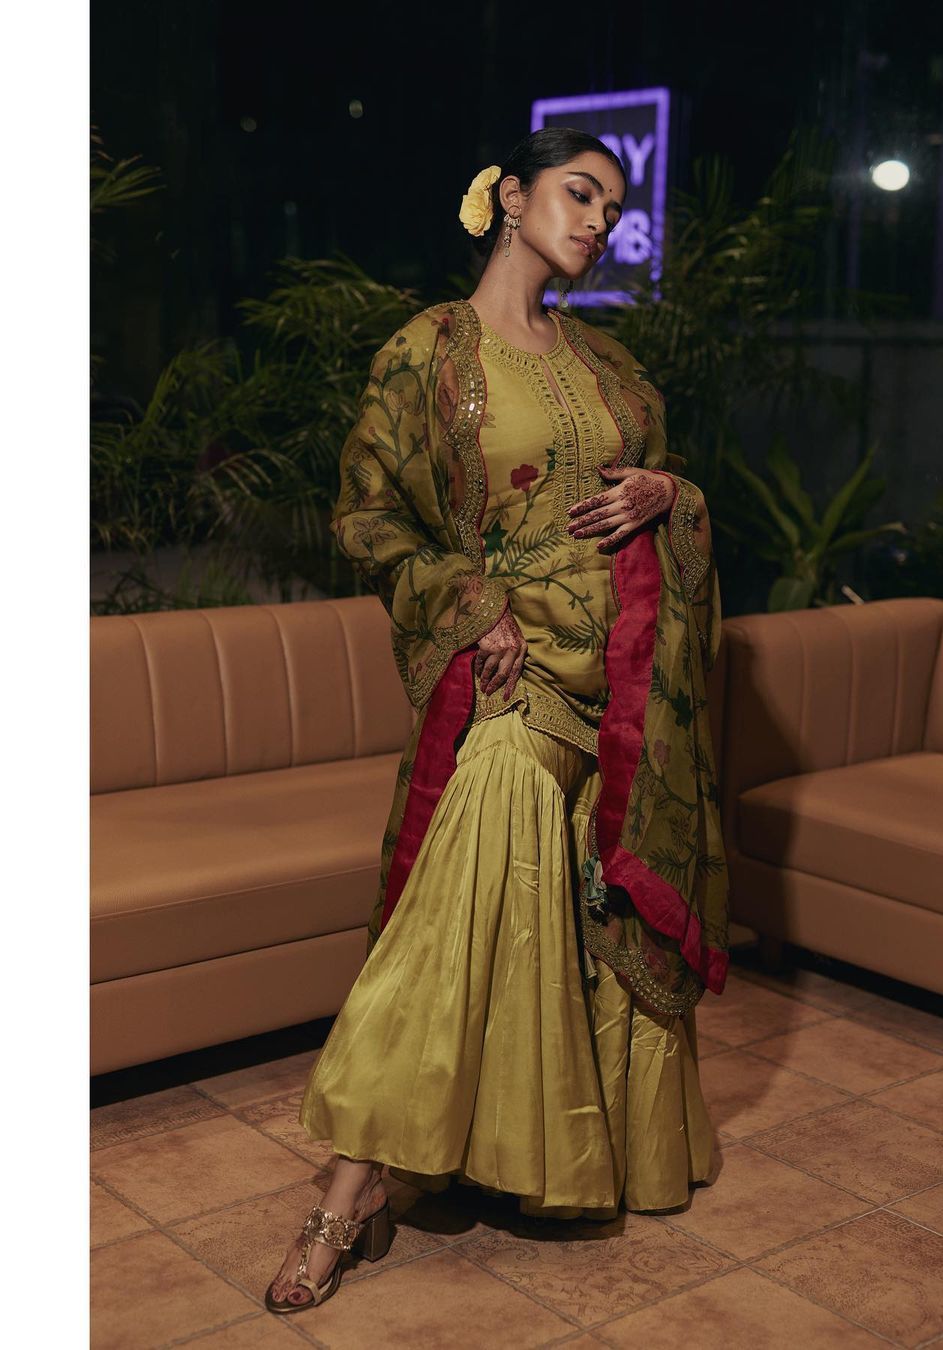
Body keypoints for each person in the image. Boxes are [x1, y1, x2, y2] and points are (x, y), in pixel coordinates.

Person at [266, 127, 731, 1315]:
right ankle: (349, 1189)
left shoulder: (611, 364)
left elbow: (670, 481)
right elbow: (367, 517)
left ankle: (549, 1156)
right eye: (580, 193)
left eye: (613, 207)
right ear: (510, 197)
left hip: (624, 688)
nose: (599, 221)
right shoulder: (427, 351)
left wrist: (666, 492)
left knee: (574, 926)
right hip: (516, 687)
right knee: (453, 916)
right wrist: (472, 607)